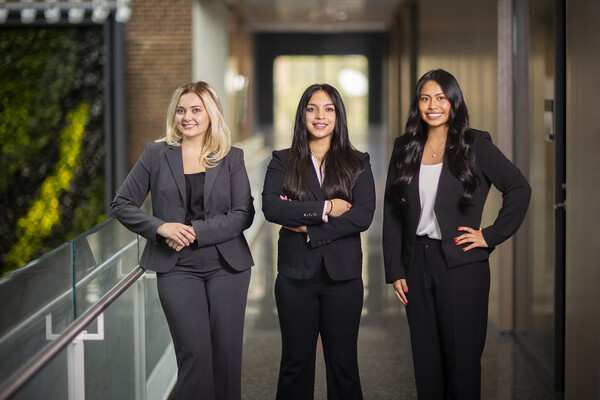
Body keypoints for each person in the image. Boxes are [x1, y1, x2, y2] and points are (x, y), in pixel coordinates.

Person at [383, 69, 531, 400]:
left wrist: (490, 235)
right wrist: (395, 270)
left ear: (453, 102)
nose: (432, 106)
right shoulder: (404, 146)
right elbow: (393, 212)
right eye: (424, 98)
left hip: (462, 266)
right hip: (415, 267)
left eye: (440, 98)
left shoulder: (476, 143)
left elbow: (518, 188)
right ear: (417, 104)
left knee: (462, 363)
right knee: (425, 361)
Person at [110, 81, 254, 400]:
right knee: (194, 358)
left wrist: (193, 232)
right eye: (181, 110)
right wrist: (162, 228)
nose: (187, 117)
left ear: (211, 113)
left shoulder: (231, 156)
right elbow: (121, 204)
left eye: (195, 110)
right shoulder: (156, 153)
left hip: (227, 268)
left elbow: (243, 213)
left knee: (226, 360)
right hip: (177, 269)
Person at [262, 83, 375, 400]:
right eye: (312, 108)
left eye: (328, 109)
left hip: (344, 278)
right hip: (295, 277)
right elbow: (273, 208)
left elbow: (362, 215)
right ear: (302, 115)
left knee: (343, 366)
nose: (320, 116)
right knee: (295, 364)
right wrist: (327, 208)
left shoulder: (357, 162)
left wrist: (307, 227)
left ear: (338, 115)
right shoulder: (282, 161)